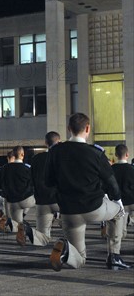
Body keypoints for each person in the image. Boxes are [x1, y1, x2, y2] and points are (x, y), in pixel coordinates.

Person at [46, 113, 129, 271]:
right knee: (118, 213)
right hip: (94, 207)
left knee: (79, 259)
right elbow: (111, 182)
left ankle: (65, 252)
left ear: (69, 129)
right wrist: (118, 201)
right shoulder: (95, 153)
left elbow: (48, 182)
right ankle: (114, 256)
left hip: (69, 211)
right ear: (88, 128)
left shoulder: (55, 152)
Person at [0, 145, 50, 246]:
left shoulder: (4, 169)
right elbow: (34, 183)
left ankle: (13, 224)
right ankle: (54, 215)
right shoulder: (27, 168)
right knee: (44, 203)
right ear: (22, 155)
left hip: (13, 202)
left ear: (13, 155)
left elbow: (1, 185)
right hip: (26, 199)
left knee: (17, 225)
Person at [28, 132, 61, 247]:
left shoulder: (36, 159)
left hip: (42, 201)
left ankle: (30, 231)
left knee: (43, 237)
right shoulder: (62, 158)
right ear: (59, 142)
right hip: (60, 201)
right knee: (73, 227)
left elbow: (31, 181)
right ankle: (66, 243)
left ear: (46, 143)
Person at [111, 144, 133, 259]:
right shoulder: (132, 169)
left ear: (115, 155)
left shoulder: (111, 169)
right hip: (132, 201)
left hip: (118, 204)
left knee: (118, 230)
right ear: (127, 155)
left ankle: (115, 254)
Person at [0, 150, 17, 233]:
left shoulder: (1, 169)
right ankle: (12, 227)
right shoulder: (18, 168)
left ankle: (3, 216)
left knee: (7, 212)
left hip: (6, 194)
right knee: (16, 213)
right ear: (14, 157)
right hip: (17, 194)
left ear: (7, 158)